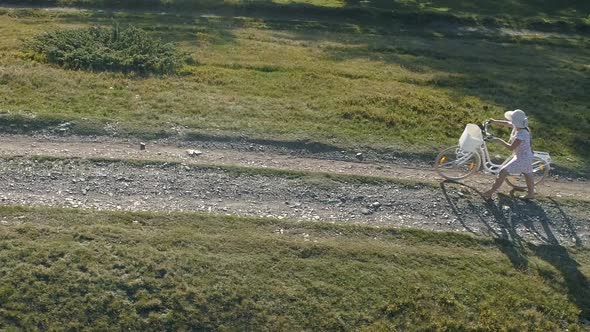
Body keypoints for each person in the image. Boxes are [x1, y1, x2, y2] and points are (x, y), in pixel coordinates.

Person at [482, 109, 535, 200]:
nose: (511, 122)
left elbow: (511, 147)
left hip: (522, 157)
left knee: (503, 171)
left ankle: (490, 192)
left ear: (516, 122)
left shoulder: (522, 134)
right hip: (525, 155)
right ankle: (531, 193)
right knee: (528, 174)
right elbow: (506, 123)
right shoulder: (519, 126)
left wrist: (499, 140)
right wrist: (494, 121)